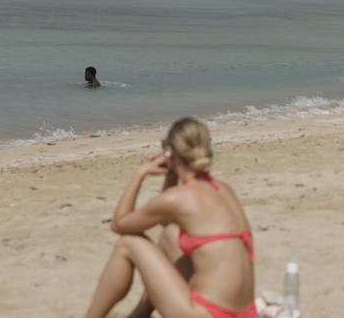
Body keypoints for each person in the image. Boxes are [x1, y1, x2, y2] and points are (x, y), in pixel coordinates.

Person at [84, 118, 256, 318]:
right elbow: (168, 222)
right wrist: (172, 176)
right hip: (244, 314)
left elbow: (119, 224)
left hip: (209, 313)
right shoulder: (224, 190)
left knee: (128, 243)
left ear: (170, 153)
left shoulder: (178, 199)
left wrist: (140, 173)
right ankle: (140, 314)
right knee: (170, 236)